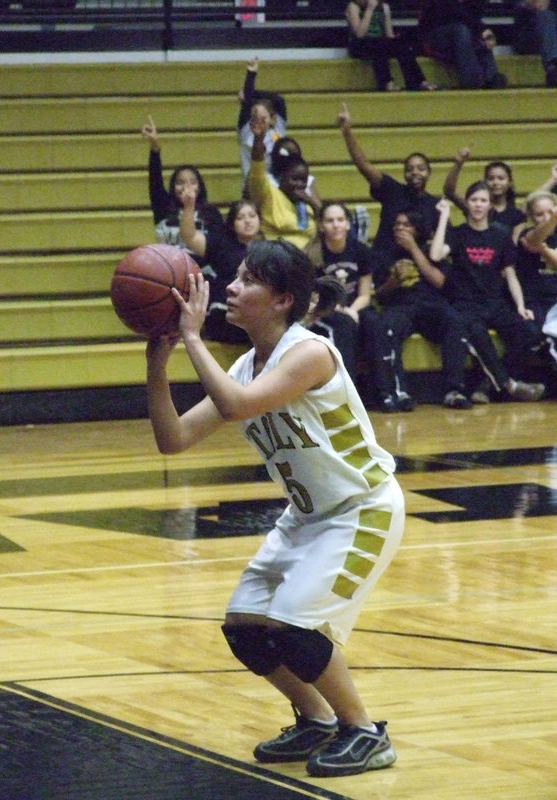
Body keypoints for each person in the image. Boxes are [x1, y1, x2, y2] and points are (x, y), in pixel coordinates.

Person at [145, 238, 404, 777]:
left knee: (294, 626)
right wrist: (158, 364)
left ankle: (364, 731)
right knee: (246, 627)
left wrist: (191, 335)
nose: (231, 289)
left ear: (282, 299)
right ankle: (316, 719)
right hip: (306, 518)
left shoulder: (309, 352)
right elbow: (172, 439)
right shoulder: (244, 366)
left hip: (362, 508)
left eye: (246, 281)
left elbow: (238, 407)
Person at [430, 186, 545, 402]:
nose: (478, 204)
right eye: (473, 200)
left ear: (489, 204)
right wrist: (444, 217)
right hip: (466, 305)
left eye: (483, 200)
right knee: (477, 333)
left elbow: (510, 274)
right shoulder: (458, 233)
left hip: (495, 303)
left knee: (529, 332)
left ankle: (489, 384)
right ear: (467, 203)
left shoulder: (500, 235)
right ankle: (509, 385)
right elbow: (436, 255)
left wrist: (520, 306)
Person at [375, 210, 473, 409]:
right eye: (397, 224)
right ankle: (399, 392)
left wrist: (413, 249)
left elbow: (440, 282)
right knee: (385, 327)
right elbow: (379, 296)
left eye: (406, 224)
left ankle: (454, 390)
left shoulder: (431, 249)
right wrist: (394, 280)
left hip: (431, 305)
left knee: (455, 320)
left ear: (417, 230)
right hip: (401, 306)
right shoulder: (385, 252)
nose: (400, 228)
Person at [303, 201, 391, 407]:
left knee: (374, 323)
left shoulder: (360, 251)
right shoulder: (312, 254)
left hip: (355, 307)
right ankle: (347, 396)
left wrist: (351, 310)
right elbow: (312, 297)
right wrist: (340, 310)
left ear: (348, 225)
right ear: (321, 225)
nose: (335, 225)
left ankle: (384, 394)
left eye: (340, 220)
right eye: (330, 220)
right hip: (322, 311)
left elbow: (365, 294)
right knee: (345, 325)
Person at [337, 103, 440, 260]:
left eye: (421, 168)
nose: (415, 173)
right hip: (382, 261)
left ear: (429, 173)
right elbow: (363, 165)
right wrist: (347, 132)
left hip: (416, 266)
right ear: (404, 174)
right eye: (410, 169)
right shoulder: (392, 190)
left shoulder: (434, 205)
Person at [141, 115, 224, 266]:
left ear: (200, 187)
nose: (187, 187)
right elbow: (155, 180)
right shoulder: (163, 207)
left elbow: (219, 251)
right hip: (167, 274)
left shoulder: (211, 213)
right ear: (173, 187)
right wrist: (154, 148)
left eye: (192, 182)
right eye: (180, 182)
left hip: (202, 275)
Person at [179, 190, 257, 344]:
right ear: (232, 224)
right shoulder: (221, 244)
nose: (247, 221)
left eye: (252, 216)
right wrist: (189, 207)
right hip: (224, 314)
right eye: (240, 218)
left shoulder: (270, 249)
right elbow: (190, 237)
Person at [247, 113, 319, 249]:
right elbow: (257, 167)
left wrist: (311, 202)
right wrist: (258, 138)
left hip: (308, 260)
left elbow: (325, 224)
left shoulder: (307, 202)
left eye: (303, 180)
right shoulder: (269, 194)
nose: (300, 184)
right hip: (278, 257)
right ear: (281, 177)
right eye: (295, 179)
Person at [346, 0, 437, 91]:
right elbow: (359, 34)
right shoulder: (353, 6)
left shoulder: (384, 7)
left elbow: (389, 35)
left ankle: (418, 82)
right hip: (359, 45)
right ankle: (386, 83)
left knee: (400, 44)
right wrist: (369, 10)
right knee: (378, 45)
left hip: (378, 43)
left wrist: (396, 42)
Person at [417, 0, 506, 89]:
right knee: (461, 31)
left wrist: (484, 31)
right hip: (434, 34)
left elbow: (474, 15)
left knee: (478, 37)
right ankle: (471, 80)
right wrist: (482, 29)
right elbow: (448, 13)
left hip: (464, 31)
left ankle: (491, 78)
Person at [443, 147, 526, 231]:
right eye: (491, 178)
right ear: (485, 181)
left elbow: (513, 243)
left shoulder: (516, 215)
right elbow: (449, 192)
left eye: (501, 178)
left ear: (510, 182)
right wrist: (458, 163)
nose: (495, 182)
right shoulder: (476, 206)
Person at [514, 189, 557, 334]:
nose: (546, 218)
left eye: (550, 212)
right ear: (531, 217)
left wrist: (543, 249)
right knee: (534, 333)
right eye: (540, 214)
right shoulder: (525, 234)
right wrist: (554, 218)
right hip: (534, 300)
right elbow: (534, 240)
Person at [237, 57, 287, 182]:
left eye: (263, 118)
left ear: (272, 119)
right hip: (250, 191)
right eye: (254, 117)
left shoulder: (277, 132)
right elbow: (247, 101)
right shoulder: (245, 133)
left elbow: (278, 100)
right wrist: (251, 75)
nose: (258, 122)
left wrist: (254, 93)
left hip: (274, 192)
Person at [512, 0, 557, 88]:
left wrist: (550, 3)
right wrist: (528, 3)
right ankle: (553, 67)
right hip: (528, 36)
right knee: (546, 16)